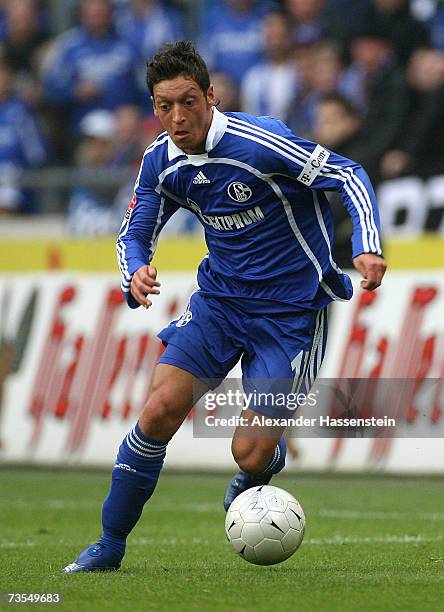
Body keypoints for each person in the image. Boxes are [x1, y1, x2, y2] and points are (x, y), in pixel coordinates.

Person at [63, 41, 386, 573]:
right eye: (164, 106)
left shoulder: (261, 143)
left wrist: (367, 244)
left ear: (210, 96)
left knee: (250, 452)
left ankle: (260, 464)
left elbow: (347, 174)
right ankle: (108, 544)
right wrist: (135, 271)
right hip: (219, 304)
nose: (176, 116)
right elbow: (134, 231)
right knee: (158, 410)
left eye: (187, 101)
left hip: (292, 315)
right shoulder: (161, 162)